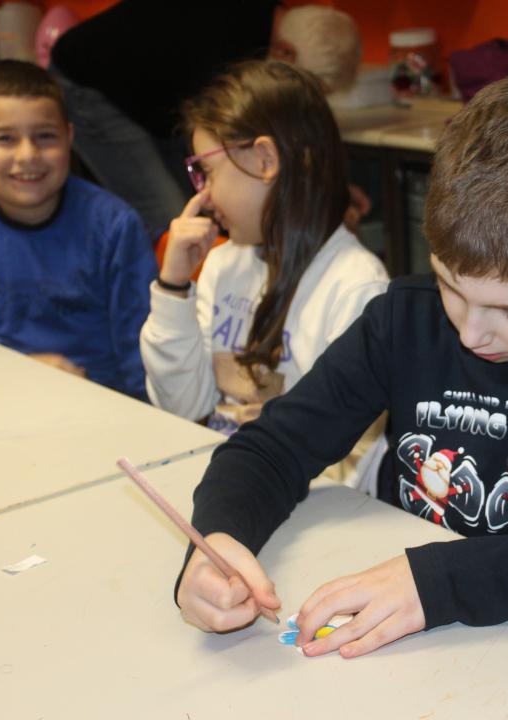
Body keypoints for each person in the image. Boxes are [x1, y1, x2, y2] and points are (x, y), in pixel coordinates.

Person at [173, 75, 508, 659]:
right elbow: (273, 448)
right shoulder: (405, 318)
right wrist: (216, 541)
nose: (470, 332)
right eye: (450, 285)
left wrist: (442, 582)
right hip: (416, 652)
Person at [139, 60, 389, 480]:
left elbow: (351, 465)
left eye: (207, 172)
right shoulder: (223, 263)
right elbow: (182, 406)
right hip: (223, 480)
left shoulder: (356, 287)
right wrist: (173, 288)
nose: (203, 193)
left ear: (264, 159)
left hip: (290, 499)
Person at [0, 60, 155, 400]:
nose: (27, 155)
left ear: (69, 138)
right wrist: (21, 369)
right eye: (5, 138)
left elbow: (141, 346)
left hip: (102, 400)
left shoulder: (115, 228)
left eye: (45, 136)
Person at [49, 1, 361, 237]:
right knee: (174, 219)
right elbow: (247, 140)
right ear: (285, 54)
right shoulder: (230, 47)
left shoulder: (258, 17)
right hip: (89, 86)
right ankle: (170, 292)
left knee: (202, 211)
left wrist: (327, 183)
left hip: (143, 92)